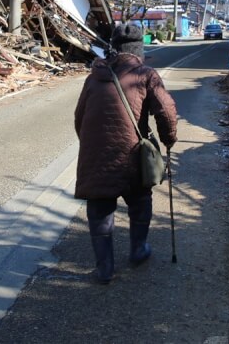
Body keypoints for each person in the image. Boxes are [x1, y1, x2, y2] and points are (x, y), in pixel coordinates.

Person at [74, 23, 178, 284]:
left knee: (99, 208)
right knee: (140, 198)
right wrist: (168, 140)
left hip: (95, 156)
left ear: (114, 48)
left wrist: (91, 144)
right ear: (138, 50)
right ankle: (138, 249)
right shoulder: (145, 74)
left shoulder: (94, 76)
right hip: (132, 154)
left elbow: (79, 116)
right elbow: (166, 112)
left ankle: (105, 269)